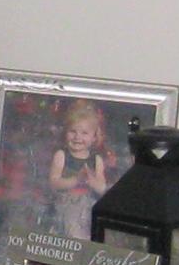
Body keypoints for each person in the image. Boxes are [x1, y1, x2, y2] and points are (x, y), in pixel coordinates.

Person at [41, 100, 124, 238]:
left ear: (93, 137)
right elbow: (54, 182)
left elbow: (102, 187)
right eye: (73, 131)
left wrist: (92, 182)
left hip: (88, 207)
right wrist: (76, 180)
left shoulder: (96, 160)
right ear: (66, 132)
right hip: (66, 205)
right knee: (70, 232)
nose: (77, 137)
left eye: (84, 133)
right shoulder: (62, 155)